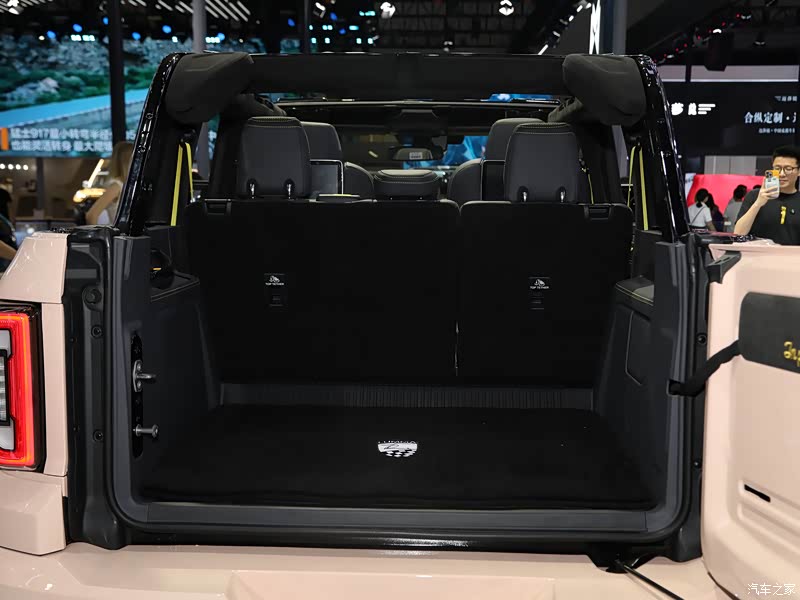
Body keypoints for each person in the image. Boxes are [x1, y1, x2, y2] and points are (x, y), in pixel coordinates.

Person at [734, 145, 800, 244]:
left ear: (798, 171)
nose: (782, 174)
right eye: (777, 168)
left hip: (792, 254)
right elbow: (738, 233)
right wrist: (758, 204)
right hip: (757, 253)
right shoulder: (754, 196)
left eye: (788, 168)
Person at [86, 141, 134, 226]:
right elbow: (91, 215)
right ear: (128, 161)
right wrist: (99, 234)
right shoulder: (116, 186)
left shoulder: (128, 185)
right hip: (120, 233)